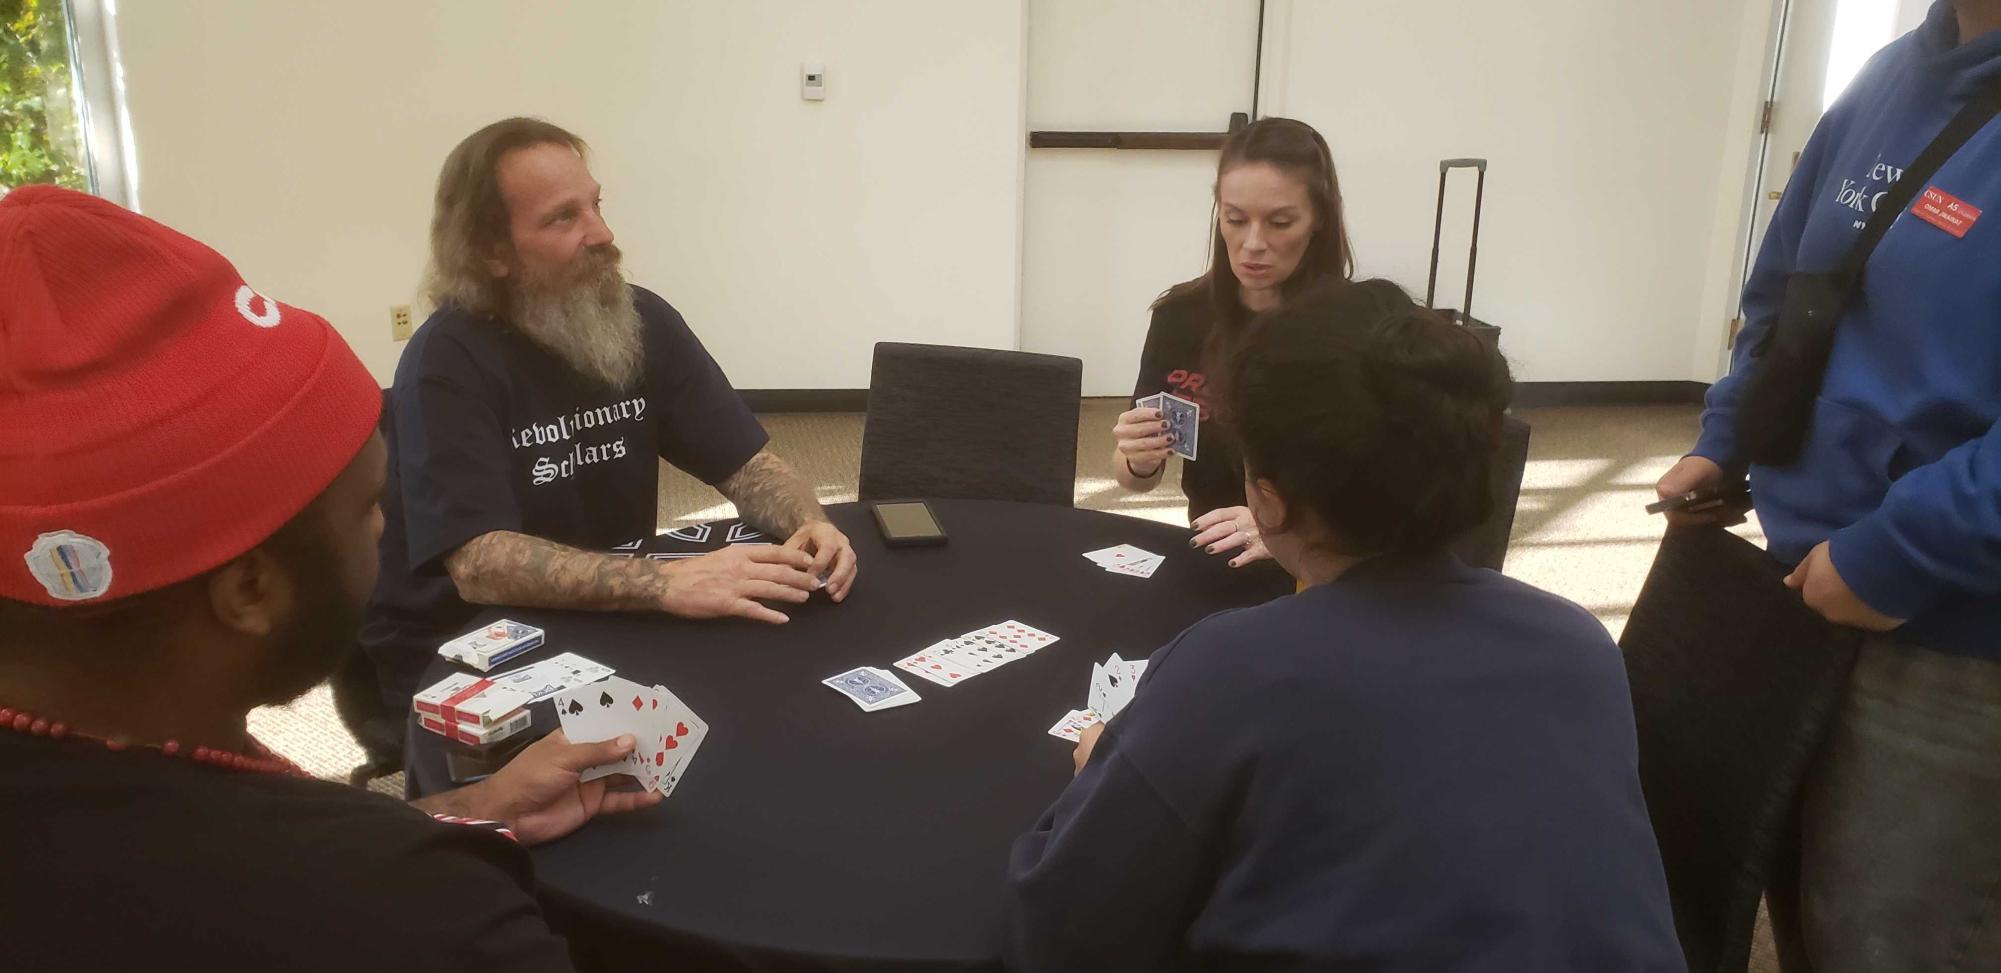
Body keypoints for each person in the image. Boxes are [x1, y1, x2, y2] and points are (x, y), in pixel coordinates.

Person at [0, 185, 657, 971]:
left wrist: (452, 814)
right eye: (371, 505)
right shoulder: (420, 917)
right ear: (250, 590)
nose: (387, 527)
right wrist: (415, 853)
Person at [1009, 281, 1682, 971]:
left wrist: (1103, 776)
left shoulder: (1230, 667)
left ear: (1266, 500)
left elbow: (1065, 931)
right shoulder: (1578, 644)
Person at [1653, 1, 2001, 965]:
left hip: (1955, 634)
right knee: (1795, 897)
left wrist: (1898, 552)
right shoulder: (1892, 75)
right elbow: (1786, 295)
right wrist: (1727, 438)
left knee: (1893, 934)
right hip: (1802, 586)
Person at [364, 117, 859, 705]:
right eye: (563, 217)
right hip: (462, 642)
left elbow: (748, 465)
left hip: (609, 611)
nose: (602, 233)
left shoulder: (640, 320)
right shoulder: (444, 362)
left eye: (595, 205)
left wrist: (811, 523)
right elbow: (479, 564)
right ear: (491, 252)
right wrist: (665, 581)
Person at [1111, 116, 1354, 568]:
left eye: (1281, 222)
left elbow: (1383, 490)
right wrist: (1138, 459)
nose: (1253, 244)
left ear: (1318, 218)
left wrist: (1281, 529)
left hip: (1325, 565)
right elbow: (1135, 479)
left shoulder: (1357, 328)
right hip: (1216, 552)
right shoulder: (1180, 317)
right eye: (1235, 220)